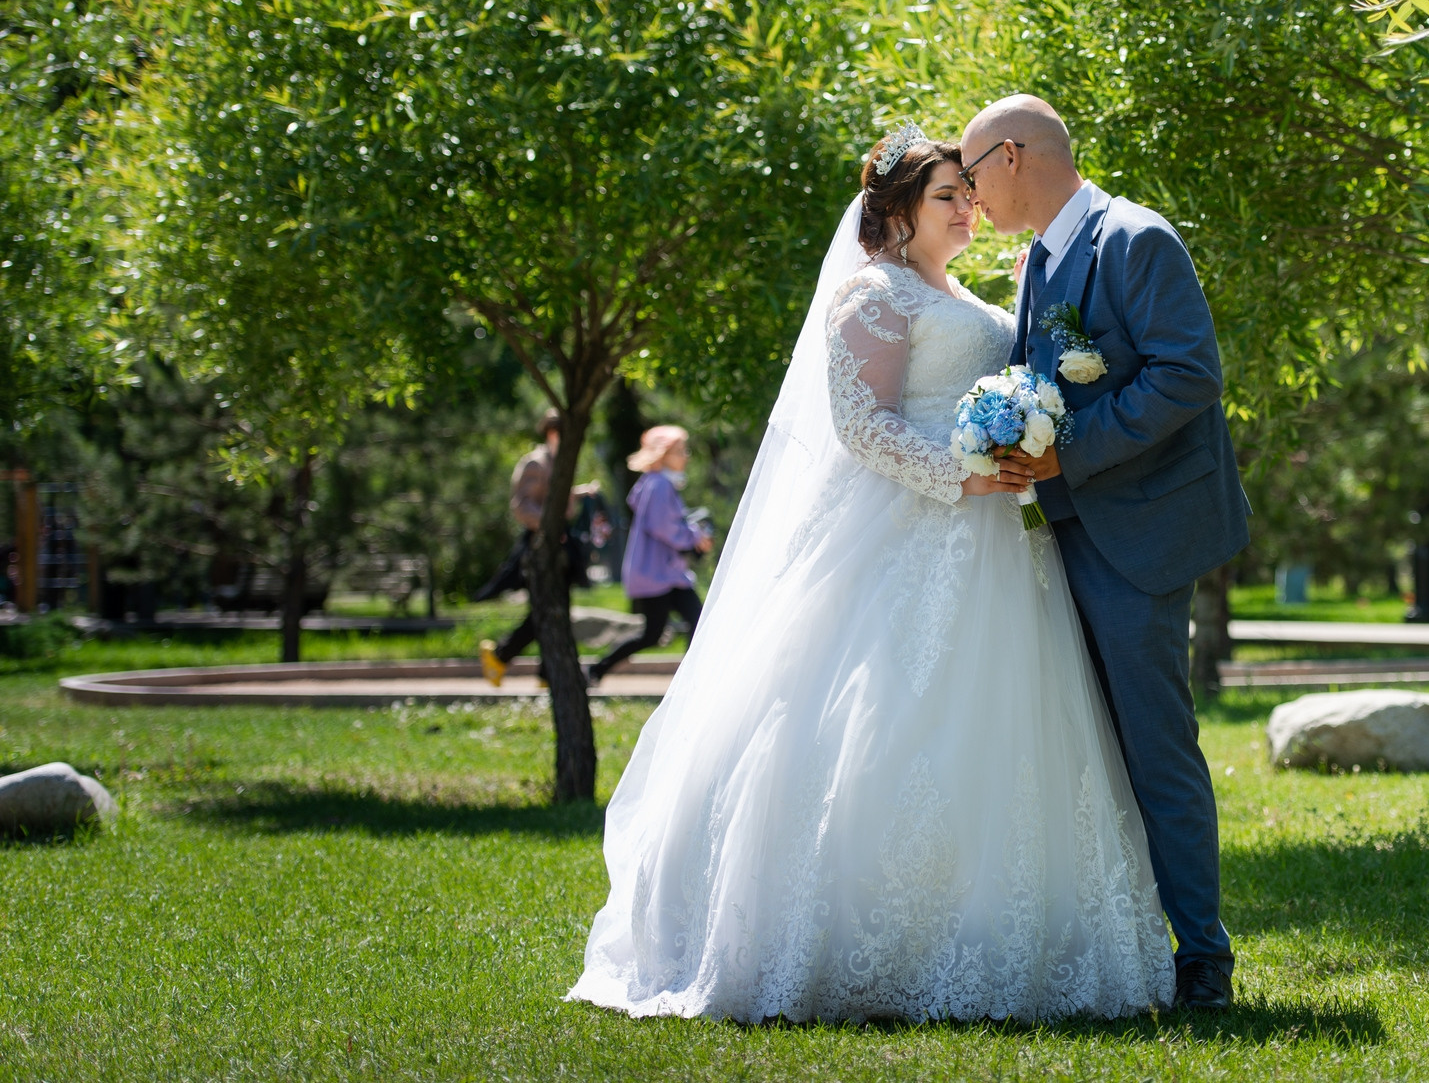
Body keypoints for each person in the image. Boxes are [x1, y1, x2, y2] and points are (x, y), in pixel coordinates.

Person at [568, 124, 1175, 1024]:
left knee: (1003, 727)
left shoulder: (959, 290)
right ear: (894, 214)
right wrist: (961, 472)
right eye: (946, 195)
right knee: (881, 717)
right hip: (903, 534)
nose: (968, 205)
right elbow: (864, 426)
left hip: (995, 544)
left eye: (968, 192)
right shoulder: (872, 294)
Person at [964, 94, 1250, 1012]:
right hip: (1066, 536)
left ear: (1013, 156)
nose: (970, 194)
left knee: (1156, 749)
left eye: (973, 174)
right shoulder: (1041, 258)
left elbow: (1189, 372)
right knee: (1084, 750)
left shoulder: (1135, 237)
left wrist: (1068, 450)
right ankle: (1115, 946)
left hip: (1140, 541)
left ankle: (1203, 956)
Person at [477, 410, 598, 687]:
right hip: (540, 545)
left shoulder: (557, 461)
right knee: (545, 609)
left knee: (554, 608)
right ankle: (503, 656)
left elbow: (555, 494)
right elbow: (522, 505)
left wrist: (581, 492)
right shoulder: (535, 462)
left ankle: (543, 671)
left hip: (559, 542)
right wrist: (550, 522)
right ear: (554, 432)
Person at [587, 424, 713, 685]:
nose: (686, 456)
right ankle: (692, 684)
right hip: (659, 574)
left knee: (672, 627)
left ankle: (598, 670)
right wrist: (695, 537)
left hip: (662, 573)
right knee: (683, 624)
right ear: (662, 455)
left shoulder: (654, 483)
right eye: (680, 450)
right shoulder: (660, 486)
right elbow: (663, 526)